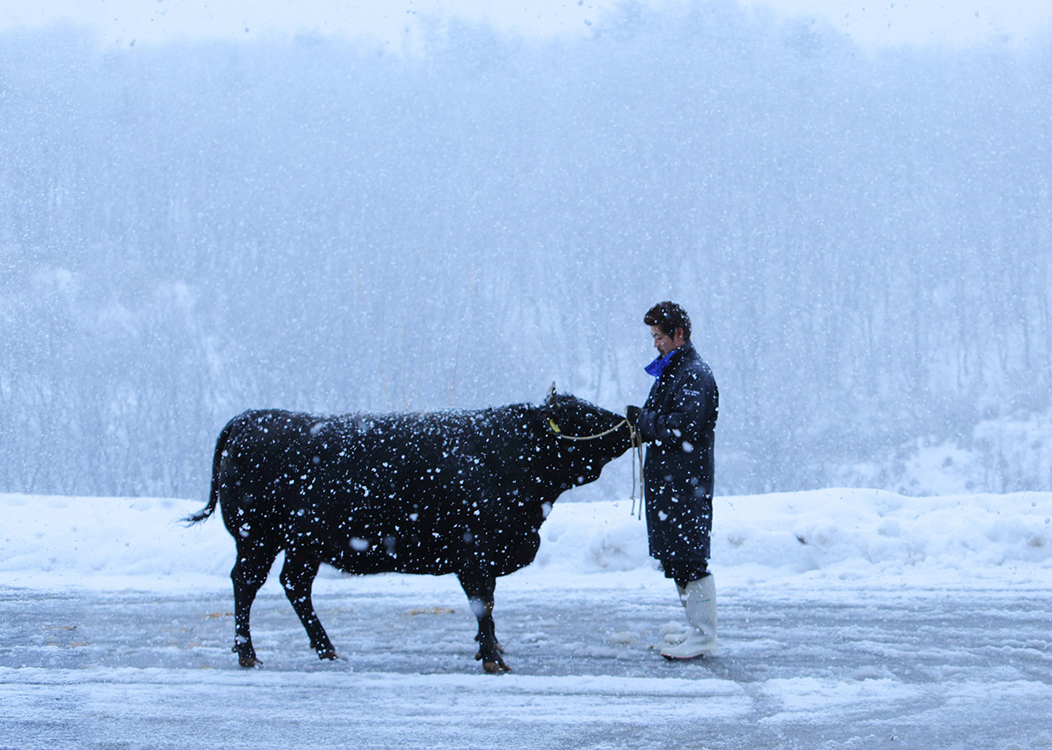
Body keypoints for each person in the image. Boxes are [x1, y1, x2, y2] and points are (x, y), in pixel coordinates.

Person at [627, 301, 719, 659]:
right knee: (677, 558)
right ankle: (695, 630)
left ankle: (704, 634)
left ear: (678, 334)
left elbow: (686, 427)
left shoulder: (695, 374)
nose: (655, 344)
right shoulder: (674, 371)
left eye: (659, 336)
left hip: (685, 485)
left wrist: (646, 423)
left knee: (691, 558)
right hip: (671, 485)